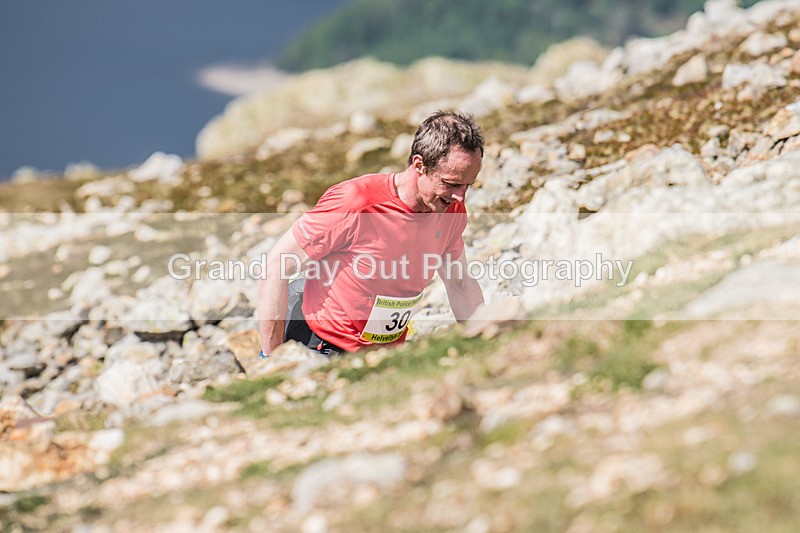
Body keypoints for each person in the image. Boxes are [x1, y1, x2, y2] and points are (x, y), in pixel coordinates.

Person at [258, 110, 485, 357]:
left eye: (468, 185)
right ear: (419, 165)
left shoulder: (451, 211)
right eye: (451, 184)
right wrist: (272, 358)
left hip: (384, 353)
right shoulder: (356, 201)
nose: (460, 196)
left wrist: (483, 345)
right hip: (319, 345)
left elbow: (460, 283)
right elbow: (277, 265)